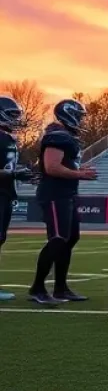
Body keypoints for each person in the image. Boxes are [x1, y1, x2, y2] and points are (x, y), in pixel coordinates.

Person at [29, 100, 97, 304]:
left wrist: (78, 171)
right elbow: (51, 167)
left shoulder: (66, 137)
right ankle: (37, 288)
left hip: (65, 194)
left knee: (70, 238)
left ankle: (60, 287)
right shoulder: (57, 137)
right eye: (80, 115)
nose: (83, 120)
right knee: (58, 239)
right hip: (54, 194)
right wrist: (79, 174)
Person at [0, 96, 34, 302]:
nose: (16, 119)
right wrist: (13, 174)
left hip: (5, 193)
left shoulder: (8, 138)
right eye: (12, 115)